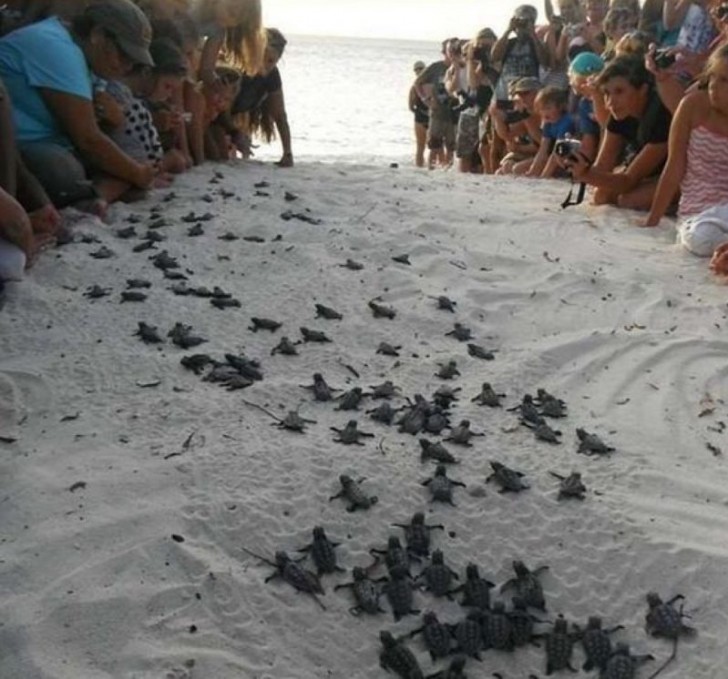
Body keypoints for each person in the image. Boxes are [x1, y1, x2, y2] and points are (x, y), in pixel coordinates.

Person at [0, 0, 157, 210]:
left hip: (54, 144)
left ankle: (96, 197)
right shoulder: (57, 47)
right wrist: (138, 174)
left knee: (125, 159)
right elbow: (88, 139)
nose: (127, 66)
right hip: (17, 150)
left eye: (133, 62)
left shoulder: (82, 55)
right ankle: (99, 195)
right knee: (63, 172)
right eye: (124, 55)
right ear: (98, 35)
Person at [645, 45, 728, 260]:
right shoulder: (692, 105)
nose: (714, 87)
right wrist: (653, 219)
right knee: (702, 238)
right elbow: (674, 167)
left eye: (725, 81)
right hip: (698, 214)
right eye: (713, 78)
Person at [561, 55, 672, 211]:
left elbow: (628, 180)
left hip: (682, 175)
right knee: (602, 196)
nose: (610, 102)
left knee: (630, 200)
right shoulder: (620, 114)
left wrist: (585, 174)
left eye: (619, 91)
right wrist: (576, 165)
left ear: (643, 90)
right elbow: (602, 167)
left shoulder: (661, 116)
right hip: (650, 173)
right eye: (606, 93)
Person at [229, 28, 294, 167]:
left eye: (270, 61)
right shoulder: (237, 68)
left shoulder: (272, 76)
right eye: (261, 57)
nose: (264, 65)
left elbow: (280, 116)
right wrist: (236, 134)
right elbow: (222, 111)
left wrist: (287, 153)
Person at [525, 86, 576, 177]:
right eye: (541, 109)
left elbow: (556, 153)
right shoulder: (549, 123)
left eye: (548, 108)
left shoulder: (566, 122)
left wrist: (544, 176)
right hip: (556, 157)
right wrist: (532, 171)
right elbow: (543, 150)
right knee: (518, 169)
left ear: (560, 107)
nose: (544, 113)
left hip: (569, 159)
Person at [409, 60, 429, 168]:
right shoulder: (415, 86)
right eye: (417, 69)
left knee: (432, 145)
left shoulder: (418, 86)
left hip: (427, 114)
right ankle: (420, 166)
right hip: (421, 115)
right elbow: (411, 105)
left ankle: (428, 165)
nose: (419, 71)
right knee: (421, 145)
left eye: (420, 69)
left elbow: (411, 106)